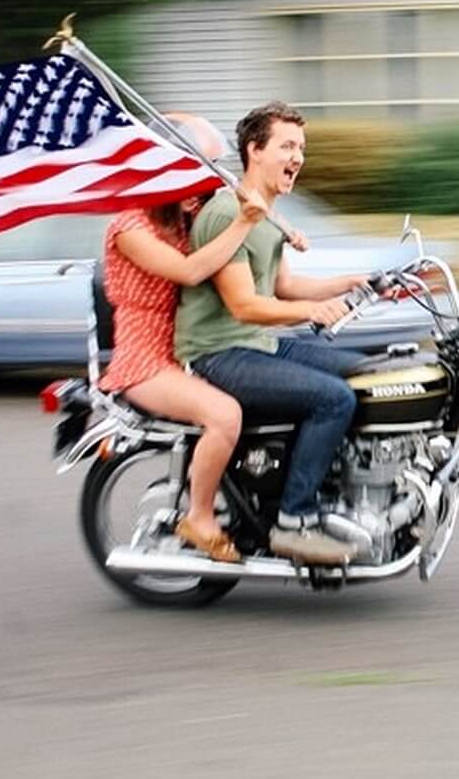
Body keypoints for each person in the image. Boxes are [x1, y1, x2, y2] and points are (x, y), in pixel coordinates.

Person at [174, 102, 371, 567]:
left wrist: (348, 283)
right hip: (221, 352)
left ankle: (331, 484)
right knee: (333, 398)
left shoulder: (269, 214)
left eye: (301, 147)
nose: (298, 157)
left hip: (258, 343)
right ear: (254, 151)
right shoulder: (228, 214)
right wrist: (312, 310)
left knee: (366, 374)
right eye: (287, 146)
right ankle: (294, 519)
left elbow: (280, 286)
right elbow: (244, 305)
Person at [99, 114, 268, 564]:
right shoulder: (130, 226)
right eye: (201, 168)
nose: (209, 180)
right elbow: (192, 271)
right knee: (224, 415)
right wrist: (244, 223)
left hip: (186, 350)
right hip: (144, 359)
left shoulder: (183, 218)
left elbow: (226, 265)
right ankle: (198, 516)